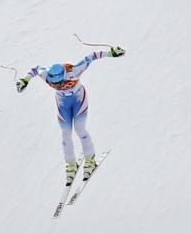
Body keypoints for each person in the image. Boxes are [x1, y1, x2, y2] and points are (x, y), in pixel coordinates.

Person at [16, 46, 125, 184]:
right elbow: (36, 69)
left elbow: (91, 56)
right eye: (53, 84)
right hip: (63, 102)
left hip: (78, 98)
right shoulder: (46, 75)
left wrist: (111, 53)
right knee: (65, 133)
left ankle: (90, 160)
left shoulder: (73, 71)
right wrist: (25, 80)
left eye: (59, 82)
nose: (57, 85)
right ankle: (70, 164)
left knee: (80, 128)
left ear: (64, 76)